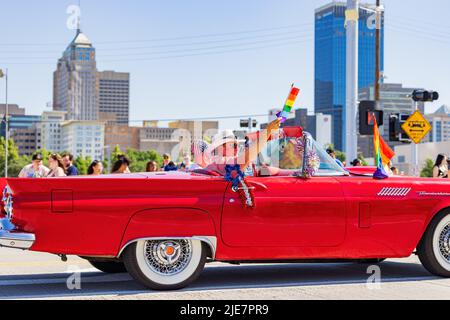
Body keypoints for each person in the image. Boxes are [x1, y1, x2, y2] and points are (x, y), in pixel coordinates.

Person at [204, 118, 281, 175]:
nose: (237, 148)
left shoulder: (226, 162)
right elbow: (246, 159)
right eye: (233, 145)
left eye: (237, 145)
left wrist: (287, 173)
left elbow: (256, 171)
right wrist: (268, 131)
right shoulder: (219, 161)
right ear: (221, 148)